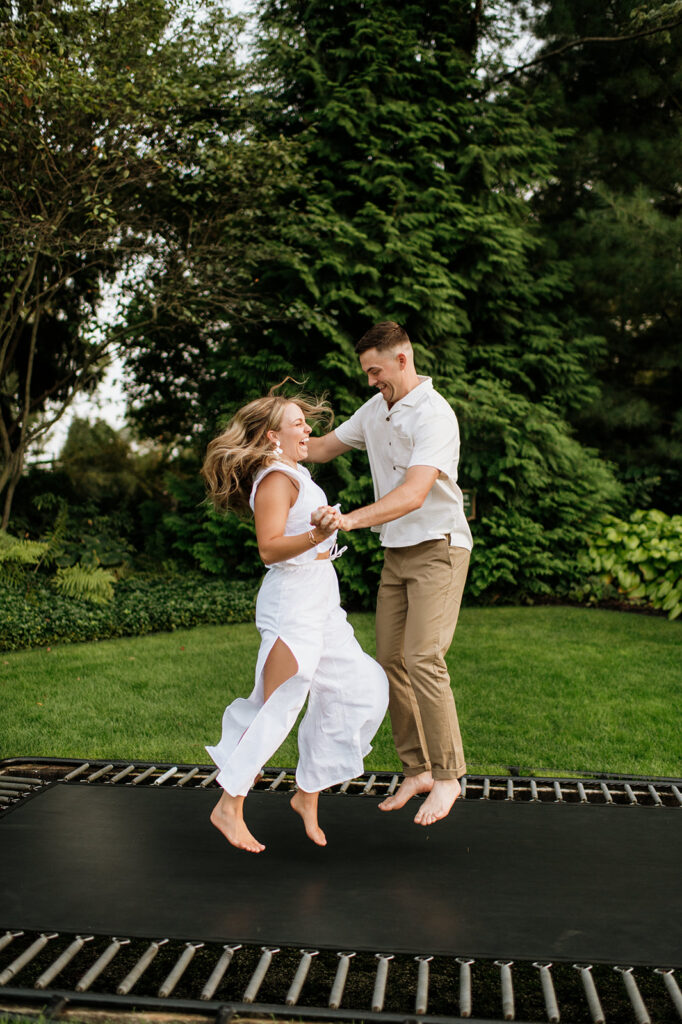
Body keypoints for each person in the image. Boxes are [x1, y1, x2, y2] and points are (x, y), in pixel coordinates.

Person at [202, 387, 389, 853]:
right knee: (278, 702)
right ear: (273, 436)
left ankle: (307, 793)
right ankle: (229, 804)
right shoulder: (275, 479)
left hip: (321, 602)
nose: (308, 429)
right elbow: (269, 549)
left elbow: (305, 535)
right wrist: (316, 532)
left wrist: (320, 531)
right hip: (292, 604)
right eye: (298, 424)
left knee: (363, 687)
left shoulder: (296, 474)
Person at [307, 322, 472, 827]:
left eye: (376, 371)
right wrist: (266, 444)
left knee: (423, 657)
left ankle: (448, 777)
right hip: (397, 552)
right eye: (366, 373)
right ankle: (418, 769)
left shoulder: (434, 415)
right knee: (389, 661)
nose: (371, 381)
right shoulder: (375, 410)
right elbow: (318, 449)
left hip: (439, 547)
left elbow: (414, 494)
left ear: (403, 359)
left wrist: (349, 519)